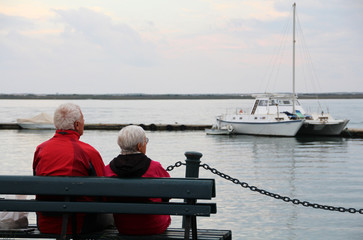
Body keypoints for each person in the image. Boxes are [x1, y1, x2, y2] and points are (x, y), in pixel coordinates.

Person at [32, 103, 107, 234]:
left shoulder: (41, 149)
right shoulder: (88, 152)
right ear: (77, 125)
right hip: (79, 225)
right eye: (83, 120)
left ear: (56, 124)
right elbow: (103, 190)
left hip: (46, 224)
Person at [104, 125, 171, 235]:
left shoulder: (108, 169)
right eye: (146, 141)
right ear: (140, 146)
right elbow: (168, 194)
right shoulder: (154, 167)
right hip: (154, 226)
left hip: (123, 226)